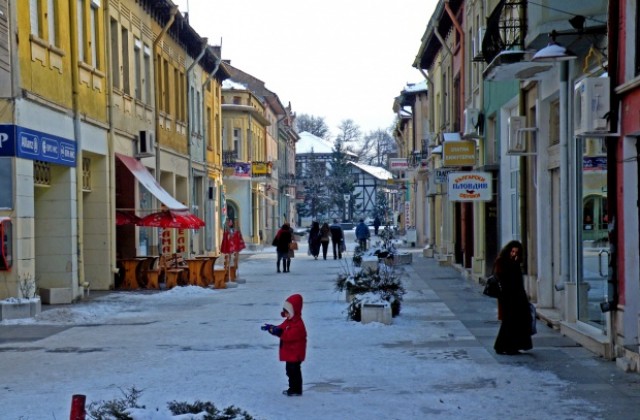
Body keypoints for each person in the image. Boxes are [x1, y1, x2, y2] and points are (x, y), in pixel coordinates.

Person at [261, 294, 307, 396]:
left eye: (287, 312)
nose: (285, 314)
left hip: (295, 353)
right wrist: (271, 328)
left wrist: (278, 332)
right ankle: (292, 388)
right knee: (289, 371)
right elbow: (281, 328)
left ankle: (296, 389)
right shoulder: (289, 321)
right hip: (290, 353)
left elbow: (288, 335)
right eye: (285, 311)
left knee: (294, 372)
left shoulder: (298, 324)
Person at [493, 240, 533, 355]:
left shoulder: (516, 262)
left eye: (516, 252)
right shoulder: (502, 261)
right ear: (508, 250)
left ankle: (512, 346)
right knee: (509, 322)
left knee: (517, 322)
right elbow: (503, 278)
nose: (514, 253)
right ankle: (504, 346)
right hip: (508, 296)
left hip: (518, 296)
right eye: (512, 251)